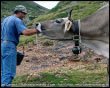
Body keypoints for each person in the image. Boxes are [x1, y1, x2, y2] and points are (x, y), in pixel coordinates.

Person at [1, 5, 41, 87]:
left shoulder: (6, 19)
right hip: (9, 46)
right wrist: (37, 30)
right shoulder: (17, 20)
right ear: (19, 12)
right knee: (9, 73)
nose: (25, 15)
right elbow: (26, 32)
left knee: (4, 71)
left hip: (2, 45)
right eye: (24, 13)